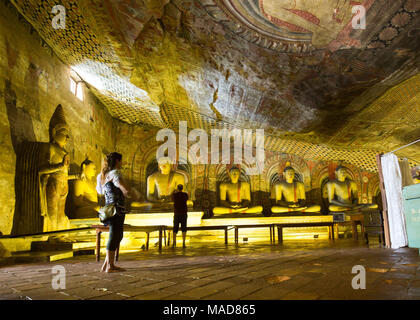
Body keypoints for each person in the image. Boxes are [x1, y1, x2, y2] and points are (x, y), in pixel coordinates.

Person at [96, 152, 131, 272]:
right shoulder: (115, 173)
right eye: (121, 161)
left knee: (117, 235)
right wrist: (126, 191)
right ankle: (110, 266)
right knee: (115, 235)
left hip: (109, 208)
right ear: (117, 161)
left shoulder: (102, 175)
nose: (122, 163)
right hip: (117, 208)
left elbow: (100, 191)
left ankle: (106, 265)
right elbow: (121, 186)